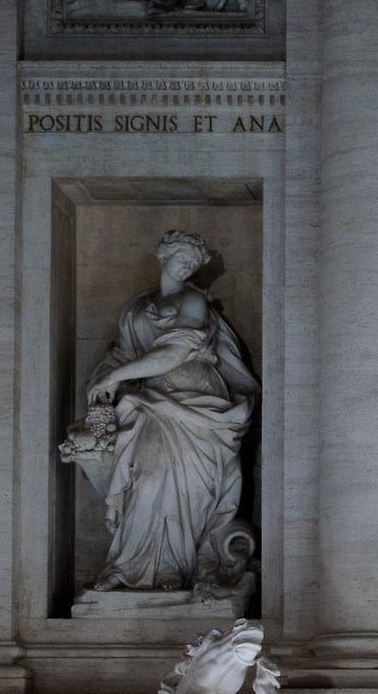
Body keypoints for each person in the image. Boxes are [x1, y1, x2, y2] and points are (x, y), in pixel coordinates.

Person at [72, 229, 258, 594]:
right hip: (150, 405)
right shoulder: (136, 308)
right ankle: (127, 565)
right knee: (147, 478)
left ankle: (175, 566)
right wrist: (102, 389)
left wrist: (116, 376)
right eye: (182, 258)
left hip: (196, 403)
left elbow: (172, 355)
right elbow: (123, 356)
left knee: (182, 487)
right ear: (164, 256)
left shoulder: (193, 302)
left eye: (193, 263)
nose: (187, 267)